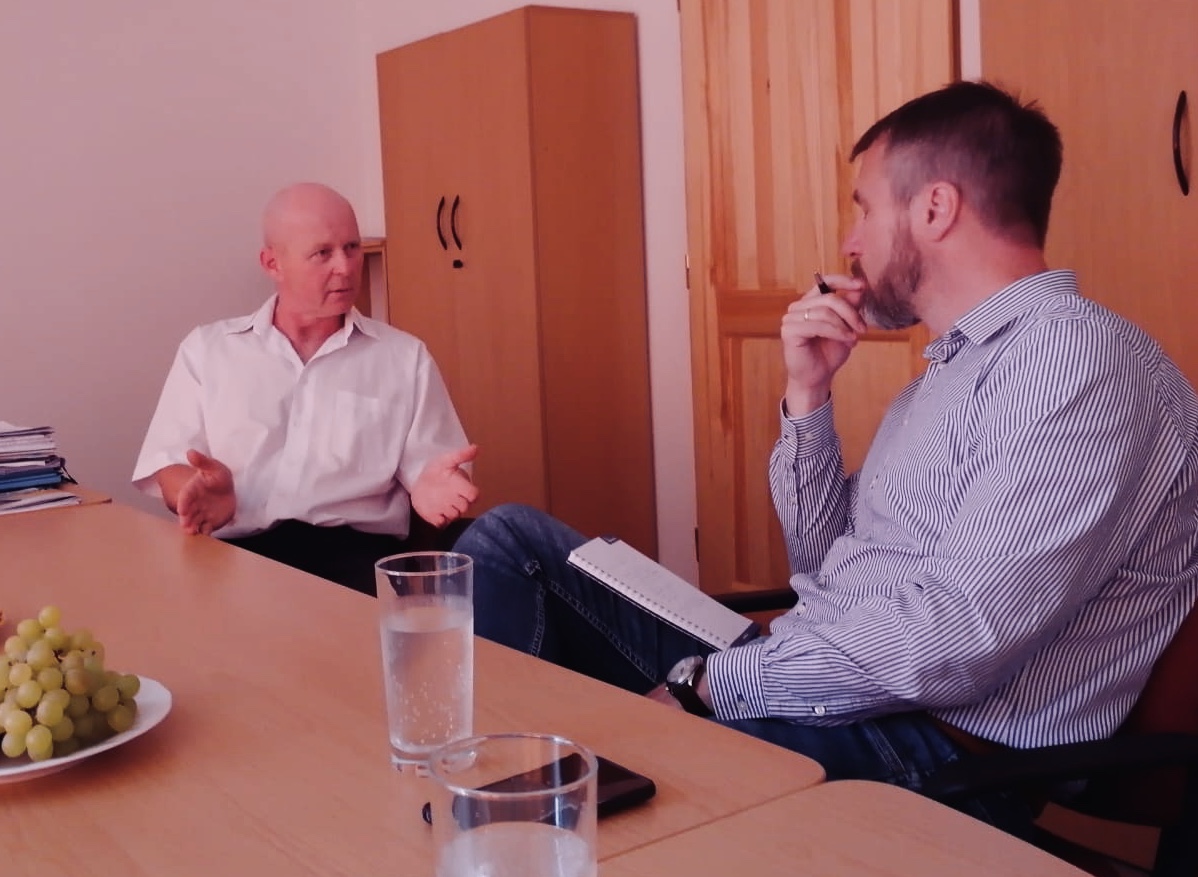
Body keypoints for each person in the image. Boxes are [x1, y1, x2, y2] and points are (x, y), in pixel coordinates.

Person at [454, 80, 1198, 836]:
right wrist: (808, 395)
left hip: (926, 743)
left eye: (864, 208)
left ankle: (522, 813)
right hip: (822, 674)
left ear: (935, 208)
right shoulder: (952, 371)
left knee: (606, 779)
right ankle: (503, 784)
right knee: (512, 544)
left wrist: (707, 684)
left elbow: (953, 641)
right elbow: (821, 567)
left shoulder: (1077, 365)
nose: (851, 241)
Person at [133, 182, 478, 594]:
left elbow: (435, 473)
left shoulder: (404, 357)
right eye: (322, 253)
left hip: (355, 561)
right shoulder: (209, 351)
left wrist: (431, 488)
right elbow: (168, 464)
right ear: (272, 263)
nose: (345, 267)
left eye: (351, 248)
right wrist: (193, 490)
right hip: (236, 554)